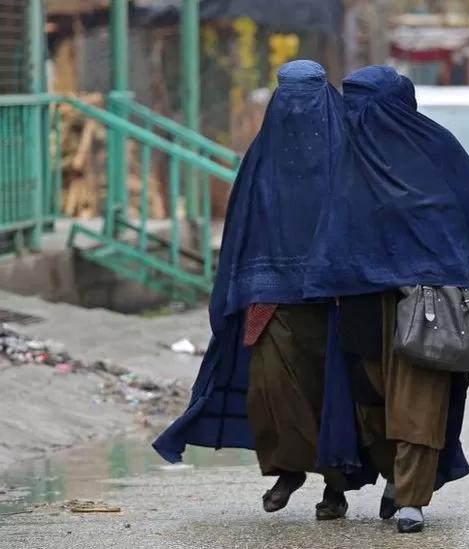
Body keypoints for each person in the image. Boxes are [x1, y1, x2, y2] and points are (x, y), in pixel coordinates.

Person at [153, 60, 376, 519]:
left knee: (334, 395)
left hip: (336, 300)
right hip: (272, 300)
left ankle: (335, 488)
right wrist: (242, 285)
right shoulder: (263, 160)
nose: (297, 107)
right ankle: (288, 469)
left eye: (307, 94)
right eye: (288, 95)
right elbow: (241, 230)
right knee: (273, 392)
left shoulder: (350, 155)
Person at [302, 65, 469, 533]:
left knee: (419, 398)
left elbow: (468, 199)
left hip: (426, 296)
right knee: (370, 397)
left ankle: (412, 498)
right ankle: (392, 477)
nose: (355, 114)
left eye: (365, 103)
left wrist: (437, 261)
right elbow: (331, 217)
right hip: (362, 294)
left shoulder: (435, 149)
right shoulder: (348, 153)